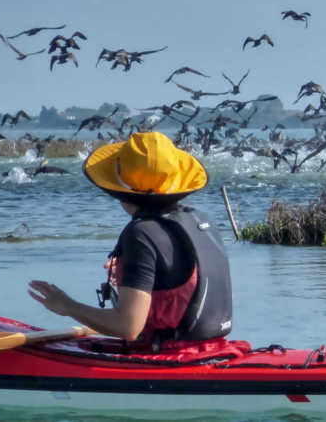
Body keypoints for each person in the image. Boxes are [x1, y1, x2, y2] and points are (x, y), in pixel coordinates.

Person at [28, 131, 233, 348]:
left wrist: (67, 306)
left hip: (168, 360)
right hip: (215, 348)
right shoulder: (199, 219)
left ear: (121, 191)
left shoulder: (141, 234)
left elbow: (128, 326)